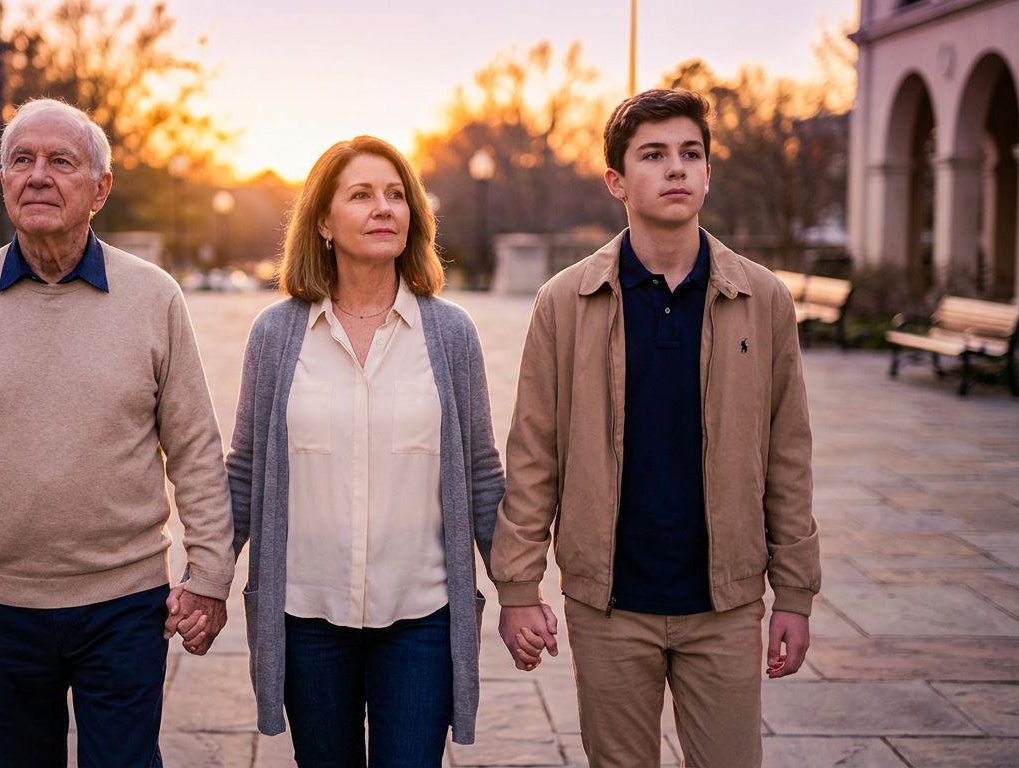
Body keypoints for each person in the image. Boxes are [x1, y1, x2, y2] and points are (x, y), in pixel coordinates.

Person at [0, 98, 234, 768]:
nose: (37, 175)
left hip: (125, 604)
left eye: (60, 161)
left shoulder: (153, 297)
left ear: (100, 189)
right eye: (22, 160)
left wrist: (211, 573)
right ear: (4, 180)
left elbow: (194, 449)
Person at [491, 89, 821, 767]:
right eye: (653, 155)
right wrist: (518, 589)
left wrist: (795, 592)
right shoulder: (565, 302)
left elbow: (787, 454)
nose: (676, 169)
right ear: (616, 180)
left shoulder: (763, 300)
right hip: (609, 605)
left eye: (690, 154)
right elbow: (533, 456)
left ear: (708, 172)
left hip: (724, 605)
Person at [221, 136, 503, 767]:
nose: (384, 208)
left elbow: (482, 475)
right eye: (362, 194)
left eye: (397, 195)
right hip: (307, 620)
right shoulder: (277, 334)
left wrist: (520, 590)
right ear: (322, 221)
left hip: (422, 618)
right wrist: (206, 581)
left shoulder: (450, 334)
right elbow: (243, 472)